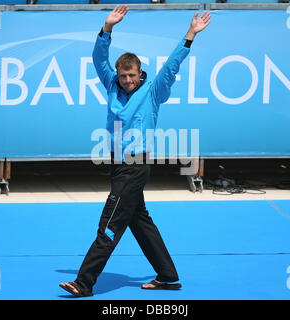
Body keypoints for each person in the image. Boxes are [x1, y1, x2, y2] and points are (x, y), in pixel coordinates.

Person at [60, 5, 211, 297]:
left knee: (110, 222)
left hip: (135, 165)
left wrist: (190, 34)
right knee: (139, 221)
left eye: (131, 76)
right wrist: (107, 28)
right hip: (117, 164)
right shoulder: (112, 85)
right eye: (123, 76)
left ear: (140, 74)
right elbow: (98, 58)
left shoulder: (153, 91)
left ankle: (84, 282)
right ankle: (168, 276)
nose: (127, 81)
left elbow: (171, 66)